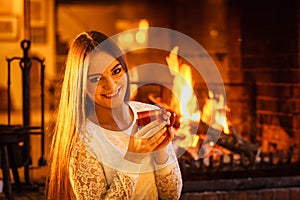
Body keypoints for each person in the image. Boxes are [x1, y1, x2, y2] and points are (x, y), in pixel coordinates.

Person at [46, 30, 182, 199]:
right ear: (81, 86)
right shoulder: (83, 143)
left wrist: (161, 150)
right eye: (96, 79)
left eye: (116, 71)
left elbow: (172, 195)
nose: (111, 85)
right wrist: (133, 158)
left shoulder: (147, 114)